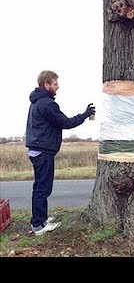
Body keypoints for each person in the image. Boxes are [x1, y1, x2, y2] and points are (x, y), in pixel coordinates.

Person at [25, 70, 95, 236]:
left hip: (38, 150)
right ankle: (38, 225)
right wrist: (84, 115)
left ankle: (41, 219)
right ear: (46, 84)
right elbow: (65, 122)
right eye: (55, 84)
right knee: (43, 188)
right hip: (42, 151)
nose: (58, 87)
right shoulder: (46, 104)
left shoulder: (38, 102)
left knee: (41, 187)